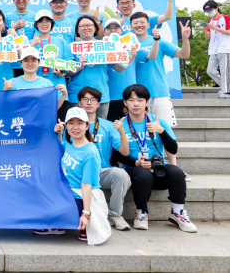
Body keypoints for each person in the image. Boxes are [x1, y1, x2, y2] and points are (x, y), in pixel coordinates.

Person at [112, 84, 197, 233]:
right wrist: (136, 163)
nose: (136, 104)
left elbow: (173, 149)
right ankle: (142, 212)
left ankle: (178, 213)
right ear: (125, 102)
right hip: (134, 171)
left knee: (177, 172)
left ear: (147, 102)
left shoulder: (159, 121)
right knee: (143, 174)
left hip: (158, 169)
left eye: (140, 100)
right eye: (131, 100)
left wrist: (161, 131)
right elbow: (116, 155)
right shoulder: (120, 125)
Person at [132, 12, 191, 179]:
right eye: (135, 23)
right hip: (136, 97)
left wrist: (185, 38)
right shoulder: (127, 44)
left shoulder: (159, 41)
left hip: (159, 93)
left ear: (148, 24)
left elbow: (184, 54)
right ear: (130, 26)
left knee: (165, 131)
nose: (139, 25)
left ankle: (175, 169)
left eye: (142, 22)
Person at [76, 86, 132, 231]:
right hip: (77, 173)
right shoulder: (72, 125)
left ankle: (115, 215)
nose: (89, 102)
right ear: (79, 103)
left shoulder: (108, 125)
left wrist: (122, 132)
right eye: (85, 99)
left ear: (98, 104)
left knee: (121, 174)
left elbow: (125, 152)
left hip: (101, 172)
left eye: (93, 99)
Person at [53, 107, 105, 243]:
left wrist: (86, 213)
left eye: (80, 123)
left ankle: (81, 224)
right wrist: (59, 134)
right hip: (67, 192)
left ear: (87, 126)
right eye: (71, 123)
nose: (75, 127)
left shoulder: (90, 152)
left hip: (82, 196)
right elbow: (58, 151)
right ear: (66, 125)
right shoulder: (69, 143)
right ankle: (59, 224)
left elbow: (87, 185)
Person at [67, 16, 133, 118]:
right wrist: (79, 65)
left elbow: (118, 68)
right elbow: (66, 73)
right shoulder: (71, 47)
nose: (86, 28)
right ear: (77, 30)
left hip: (101, 93)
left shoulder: (105, 45)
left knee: (100, 125)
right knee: (77, 125)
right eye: (82, 26)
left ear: (95, 28)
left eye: (89, 25)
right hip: (77, 94)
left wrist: (130, 57)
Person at [29, 9, 72, 118]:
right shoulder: (30, 42)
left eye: (47, 21)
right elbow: (24, 63)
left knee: (59, 124)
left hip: (58, 91)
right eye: (41, 21)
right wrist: (32, 46)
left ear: (52, 24)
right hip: (36, 91)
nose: (44, 24)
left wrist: (62, 73)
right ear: (36, 24)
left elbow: (69, 65)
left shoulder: (60, 41)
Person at [104, 18, 148, 121]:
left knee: (131, 124)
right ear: (104, 31)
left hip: (129, 95)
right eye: (109, 28)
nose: (113, 30)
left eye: (116, 27)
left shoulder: (131, 46)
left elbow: (152, 55)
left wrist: (156, 39)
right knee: (112, 124)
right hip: (109, 95)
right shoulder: (101, 47)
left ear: (121, 30)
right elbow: (118, 68)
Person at [3, 47, 67, 109]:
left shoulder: (47, 84)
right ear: (21, 63)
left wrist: (64, 95)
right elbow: (4, 107)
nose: (30, 64)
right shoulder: (12, 83)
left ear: (39, 63)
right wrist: (5, 90)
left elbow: (52, 108)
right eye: (26, 60)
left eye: (33, 60)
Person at [203, 0, 230, 99]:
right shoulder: (210, 22)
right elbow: (209, 37)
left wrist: (215, 28)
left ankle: (227, 92)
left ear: (216, 8)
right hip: (214, 49)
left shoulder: (225, 18)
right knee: (210, 71)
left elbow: (229, 32)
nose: (209, 12)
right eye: (207, 11)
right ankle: (227, 88)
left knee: (225, 71)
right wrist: (205, 29)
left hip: (225, 48)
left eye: (210, 10)